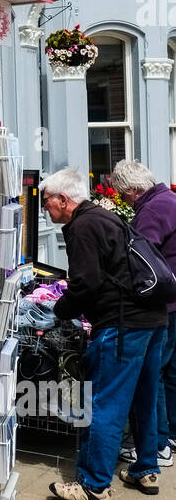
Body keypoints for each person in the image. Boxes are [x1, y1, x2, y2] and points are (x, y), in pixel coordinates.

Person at [41, 167, 167, 500]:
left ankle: (94, 486)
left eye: (46, 202)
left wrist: (58, 310)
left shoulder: (82, 226)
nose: (44, 209)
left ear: (63, 200)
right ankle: (146, 469)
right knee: (144, 399)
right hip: (153, 320)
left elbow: (86, 284)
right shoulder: (104, 217)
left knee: (106, 404)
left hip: (122, 324)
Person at [109, 160, 176, 468]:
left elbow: (138, 259)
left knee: (155, 376)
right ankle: (170, 436)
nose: (122, 200)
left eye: (123, 195)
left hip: (164, 304)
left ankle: (158, 445)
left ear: (134, 190)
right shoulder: (170, 199)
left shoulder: (151, 210)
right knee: (171, 373)